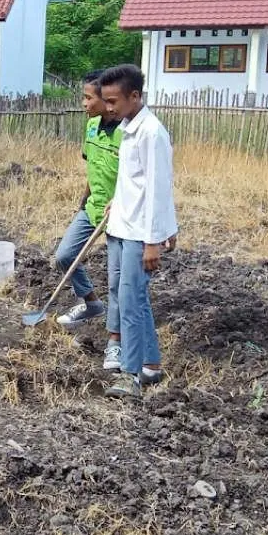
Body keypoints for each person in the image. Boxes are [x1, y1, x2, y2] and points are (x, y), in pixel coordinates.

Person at [96, 64, 178, 398]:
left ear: (135, 96)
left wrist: (153, 242)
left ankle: (129, 374)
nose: (109, 108)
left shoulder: (151, 133)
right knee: (127, 295)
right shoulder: (129, 127)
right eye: (106, 101)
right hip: (121, 225)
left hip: (138, 233)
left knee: (130, 302)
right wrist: (117, 200)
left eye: (114, 101)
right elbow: (135, 180)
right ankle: (151, 365)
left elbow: (159, 189)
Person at [55, 70, 123, 333]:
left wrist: (119, 200)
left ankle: (115, 335)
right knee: (65, 256)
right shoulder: (92, 126)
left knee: (119, 278)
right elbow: (93, 166)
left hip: (120, 213)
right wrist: (84, 198)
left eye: (87, 98)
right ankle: (92, 303)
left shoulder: (127, 132)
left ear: (106, 99)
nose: (84, 104)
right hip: (93, 206)